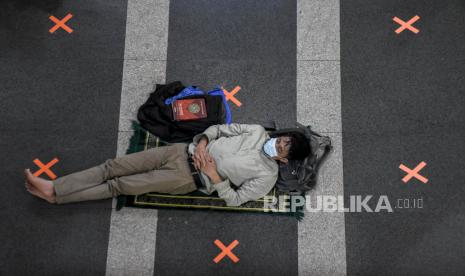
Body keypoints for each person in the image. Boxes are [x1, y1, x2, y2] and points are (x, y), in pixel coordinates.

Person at [24, 123, 311, 207]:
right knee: (113, 166)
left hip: (189, 178)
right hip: (179, 151)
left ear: (284, 159)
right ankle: (55, 187)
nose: (279, 143)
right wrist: (201, 143)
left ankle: (55, 195)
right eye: (283, 139)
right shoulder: (258, 132)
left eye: (284, 147)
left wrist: (215, 176)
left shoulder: (267, 175)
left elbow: (236, 199)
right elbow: (220, 129)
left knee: (119, 185)